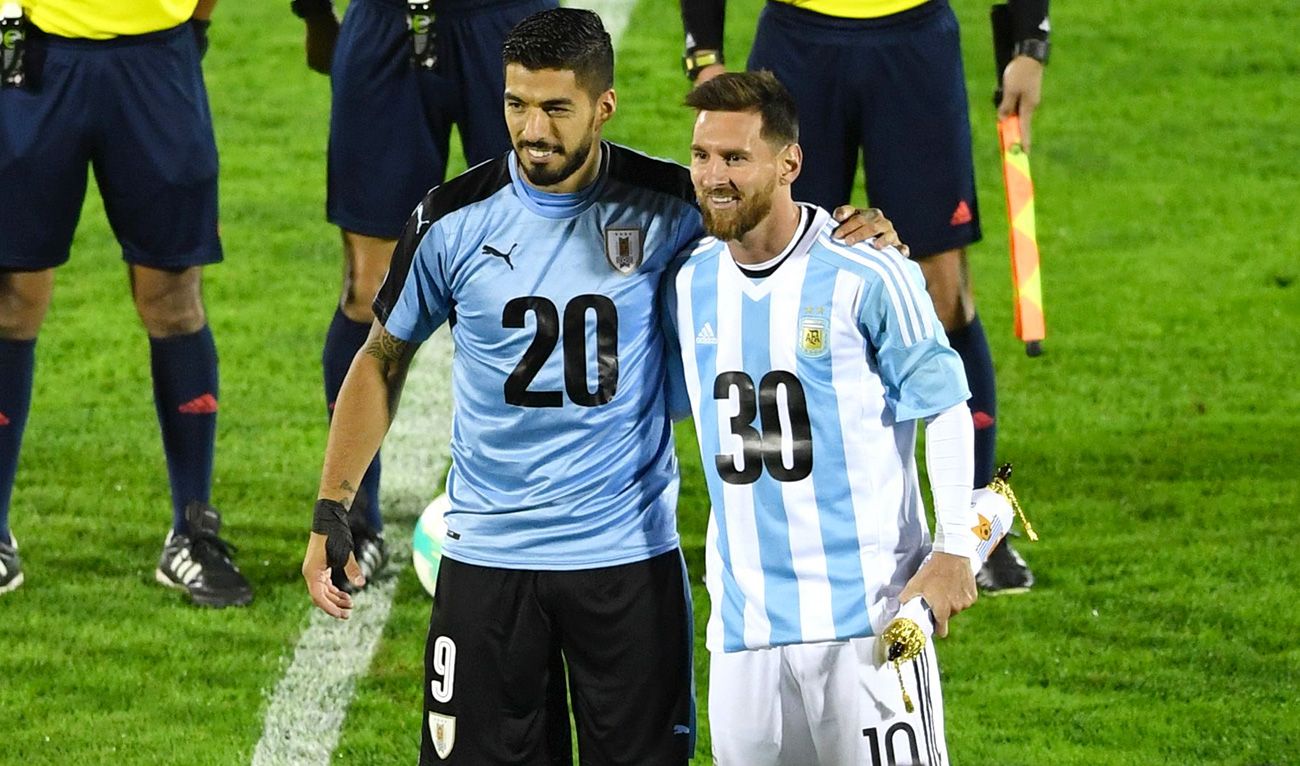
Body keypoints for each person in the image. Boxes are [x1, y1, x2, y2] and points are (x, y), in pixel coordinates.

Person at [300, 10, 896, 763]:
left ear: (602, 106)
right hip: (488, 564)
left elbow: (779, 234)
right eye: (517, 105)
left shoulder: (670, 204)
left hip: (626, 564)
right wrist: (333, 506)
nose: (533, 130)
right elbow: (380, 358)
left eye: (556, 108)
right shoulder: (449, 219)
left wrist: (859, 226)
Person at [679, 0, 1050, 592]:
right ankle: (767, 527)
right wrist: (704, 51)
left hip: (915, 38)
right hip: (797, 39)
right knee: (762, 259)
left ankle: (979, 529)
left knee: (942, 288)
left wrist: (1029, 42)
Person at [666, 70, 980, 764]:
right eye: (701, 156)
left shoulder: (868, 272)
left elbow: (946, 405)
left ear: (789, 164)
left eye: (735, 158)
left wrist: (956, 546)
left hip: (865, 625)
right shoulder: (689, 282)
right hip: (743, 633)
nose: (713, 176)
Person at [290, 0, 558, 589]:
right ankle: (352, 519)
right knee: (371, 290)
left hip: (510, 20)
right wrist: (313, 14)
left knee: (536, 270)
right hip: (386, 24)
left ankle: (544, 507)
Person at [0, 0, 251, 606]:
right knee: (9, 299)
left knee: (171, 296)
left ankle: (191, 531)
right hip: (25, 53)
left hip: (156, 55)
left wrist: (194, 26)